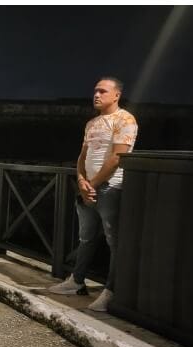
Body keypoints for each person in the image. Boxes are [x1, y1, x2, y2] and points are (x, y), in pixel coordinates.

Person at [47, 77, 138, 311]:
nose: (96, 95)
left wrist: (93, 184)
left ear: (116, 95)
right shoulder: (92, 123)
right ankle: (77, 281)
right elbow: (82, 156)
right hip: (89, 187)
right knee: (86, 238)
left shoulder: (125, 119)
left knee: (114, 242)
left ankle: (112, 292)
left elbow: (118, 157)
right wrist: (81, 179)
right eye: (95, 91)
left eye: (103, 91)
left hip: (110, 188)